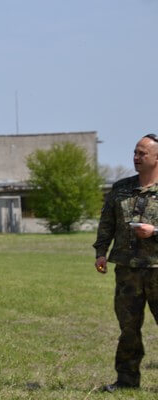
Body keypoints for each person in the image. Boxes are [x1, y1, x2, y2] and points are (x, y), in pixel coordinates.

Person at [94, 134, 158, 393]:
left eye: (142, 153)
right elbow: (106, 223)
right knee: (128, 328)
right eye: (135, 152)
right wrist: (100, 251)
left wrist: (154, 231)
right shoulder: (121, 189)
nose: (136, 157)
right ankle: (126, 381)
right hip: (127, 271)